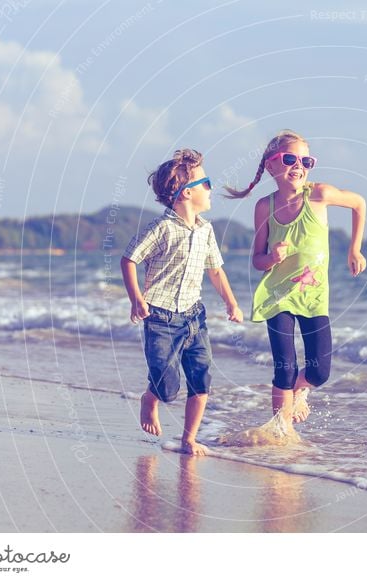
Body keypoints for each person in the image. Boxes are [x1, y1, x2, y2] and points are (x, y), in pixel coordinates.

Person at [226, 130, 367, 425]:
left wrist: (354, 249)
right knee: (285, 369)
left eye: (306, 160)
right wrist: (273, 258)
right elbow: (257, 261)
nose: (298, 165)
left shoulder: (320, 194)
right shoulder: (265, 207)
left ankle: (301, 391)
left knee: (319, 372)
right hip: (277, 296)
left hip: (314, 297)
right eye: (290, 159)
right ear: (271, 166)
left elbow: (358, 203)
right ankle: (281, 431)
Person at [121, 149, 243, 455]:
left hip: (194, 317)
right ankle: (151, 397)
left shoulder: (206, 230)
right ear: (187, 193)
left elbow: (215, 270)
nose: (211, 188)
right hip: (160, 318)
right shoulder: (162, 228)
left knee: (201, 381)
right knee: (168, 386)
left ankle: (189, 438)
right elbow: (129, 259)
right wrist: (137, 299)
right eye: (207, 182)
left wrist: (231, 303)